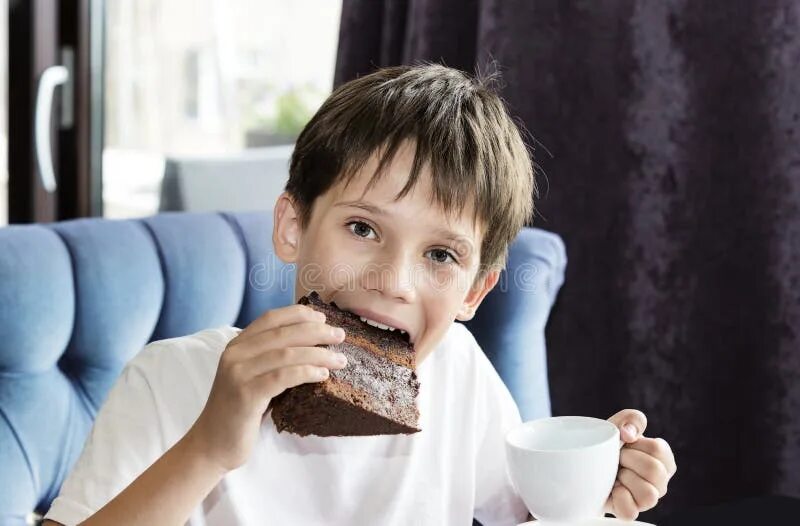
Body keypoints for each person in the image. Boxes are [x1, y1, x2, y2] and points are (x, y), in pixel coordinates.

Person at [44, 64, 676, 526]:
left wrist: (599, 493)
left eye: (440, 255)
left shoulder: (458, 373)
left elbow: (534, 516)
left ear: (475, 291)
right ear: (293, 227)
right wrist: (208, 444)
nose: (392, 281)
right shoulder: (170, 380)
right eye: (363, 228)